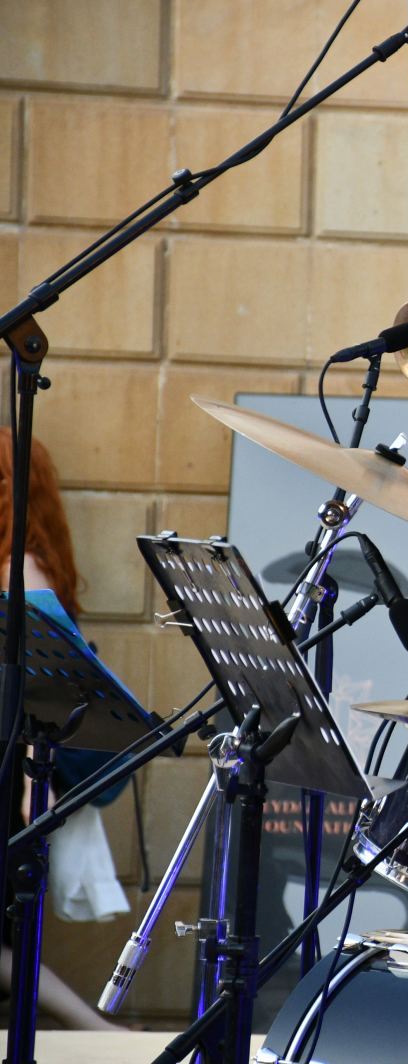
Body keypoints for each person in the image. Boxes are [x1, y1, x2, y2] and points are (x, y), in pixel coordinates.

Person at [0, 430, 127, 1032]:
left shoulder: (19, 570)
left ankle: (100, 1032)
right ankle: (100, 1031)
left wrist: (32, 779)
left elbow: (42, 687)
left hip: (11, 779)